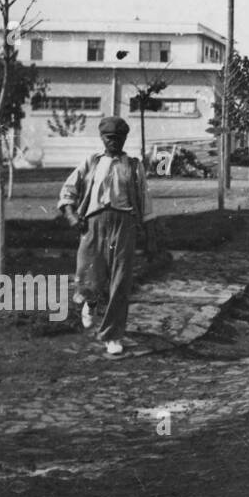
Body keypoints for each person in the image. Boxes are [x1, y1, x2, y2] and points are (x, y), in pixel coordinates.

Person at [57, 116, 156, 356]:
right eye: (109, 138)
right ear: (102, 138)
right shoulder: (91, 162)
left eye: (118, 138)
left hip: (124, 223)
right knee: (89, 273)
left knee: (120, 280)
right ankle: (90, 303)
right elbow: (69, 189)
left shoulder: (133, 165)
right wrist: (71, 215)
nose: (113, 142)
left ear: (124, 139)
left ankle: (113, 335)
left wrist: (150, 236)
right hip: (94, 222)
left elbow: (145, 201)